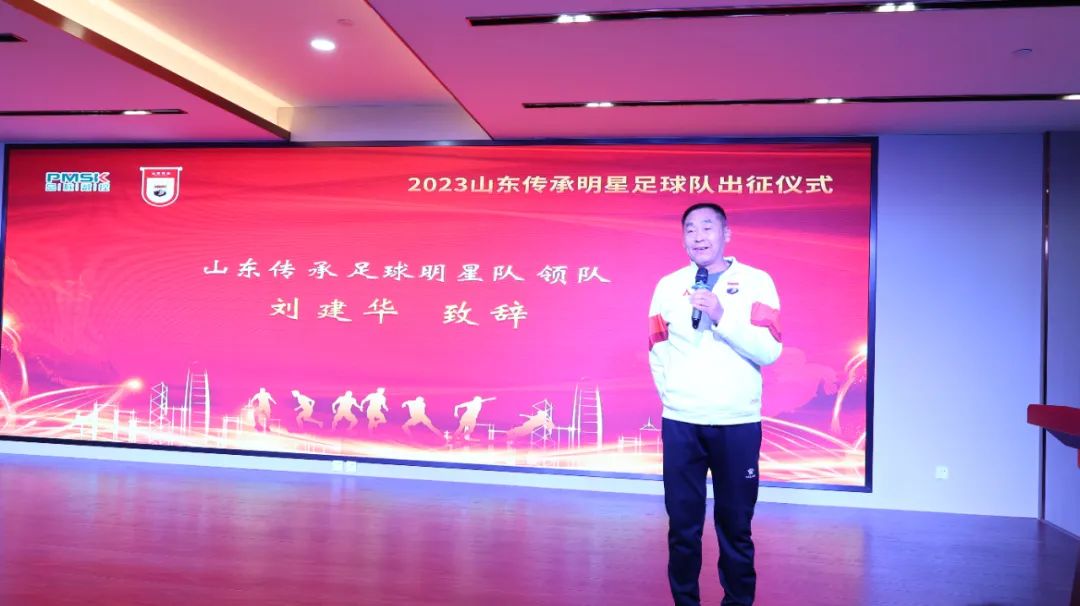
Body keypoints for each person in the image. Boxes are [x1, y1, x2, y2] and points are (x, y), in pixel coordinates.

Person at [648, 202, 783, 606]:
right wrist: (674, 395)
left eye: (707, 227)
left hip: (737, 422)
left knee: (736, 526)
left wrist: (723, 316)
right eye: (690, 229)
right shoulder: (668, 285)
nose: (699, 236)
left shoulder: (757, 281)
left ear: (726, 234)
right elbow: (657, 348)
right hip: (681, 422)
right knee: (682, 528)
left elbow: (769, 350)